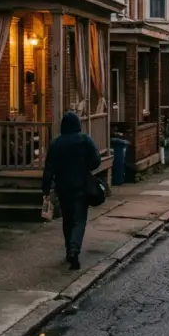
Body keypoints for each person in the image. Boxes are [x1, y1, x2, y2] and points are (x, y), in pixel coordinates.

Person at [41, 111, 101, 270]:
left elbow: (48, 169)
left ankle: (69, 248)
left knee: (67, 220)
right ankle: (74, 249)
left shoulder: (56, 144)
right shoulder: (85, 140)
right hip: (81, 185)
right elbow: (96, 160)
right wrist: (87, 168)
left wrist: (46, 188)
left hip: (63, 187)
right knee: (79, 219)